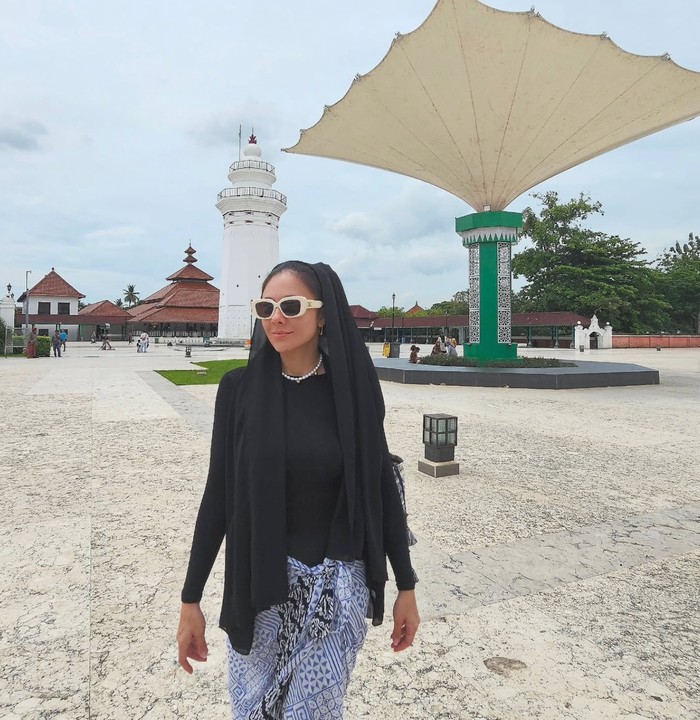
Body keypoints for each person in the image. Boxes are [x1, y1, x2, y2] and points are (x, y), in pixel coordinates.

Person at [177, 261, 419, 718]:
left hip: (335, 594)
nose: (276, 318)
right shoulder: (238, 391)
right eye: (266, 306)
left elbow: (381, 487)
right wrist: (191, 599)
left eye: (291, 306)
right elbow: (218, 497)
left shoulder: (353, 394)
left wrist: (405, 584)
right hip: (257, 590)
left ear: (323, 315)